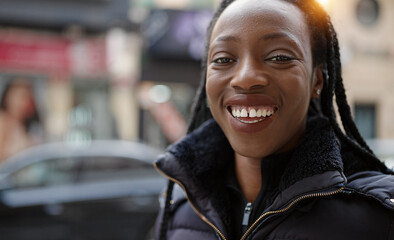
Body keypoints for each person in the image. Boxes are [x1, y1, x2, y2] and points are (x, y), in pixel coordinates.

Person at [153, 0, 394, 239]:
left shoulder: (378, 218)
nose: (245, 78)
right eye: (224, 59)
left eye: (279, 57)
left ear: (317, 80)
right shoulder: (179, 208)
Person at [0, 79, 40, 168]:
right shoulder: (1, 120)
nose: (25, 102)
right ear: (8, 97)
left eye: (28, 97)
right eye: (22, 96)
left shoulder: (24, 123)